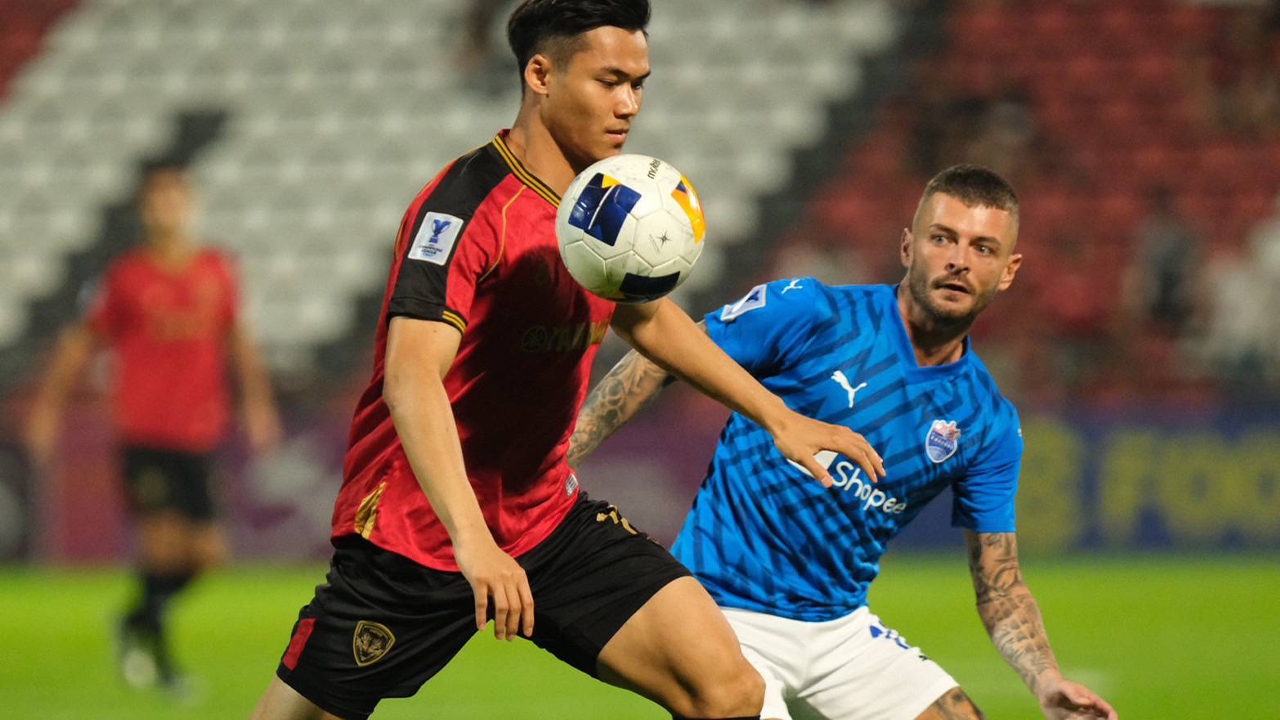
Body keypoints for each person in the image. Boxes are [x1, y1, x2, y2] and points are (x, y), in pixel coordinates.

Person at [250, 2, 884, 719]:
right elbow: (411, 377)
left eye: (639, 84)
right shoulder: (464, 208)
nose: (630, 104)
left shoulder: (609, 202)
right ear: (541, 74)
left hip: (545, 519)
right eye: (610, 81)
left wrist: (778, 417)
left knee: (728, 690)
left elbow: (647, 317)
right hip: (421, 534)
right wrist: (472, 541)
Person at [570, 166, 1119, 720]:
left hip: (839, 631)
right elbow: (660, 356)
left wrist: (1046, 679)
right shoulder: (813, 314)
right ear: (908, 246)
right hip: (721, 613)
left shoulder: (986, 422)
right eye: (942, 238)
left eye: (982, 248)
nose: (959, 260)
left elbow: (1000, 586)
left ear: (1007, 271)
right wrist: (562, 455)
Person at [24, 164, 282, 693]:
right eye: (157, 199)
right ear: (145, 211)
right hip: (143, 431)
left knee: (209, 554)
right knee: (162, 547)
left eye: (175, 197)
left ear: (190, 205)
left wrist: (257, 403)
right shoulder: (127, 277)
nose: (167, 208)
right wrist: (48, 408)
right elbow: (80, 343)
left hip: (200, 432)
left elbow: (238, 339)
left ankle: (133, 619)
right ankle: (161, 662)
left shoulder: (216, 270)